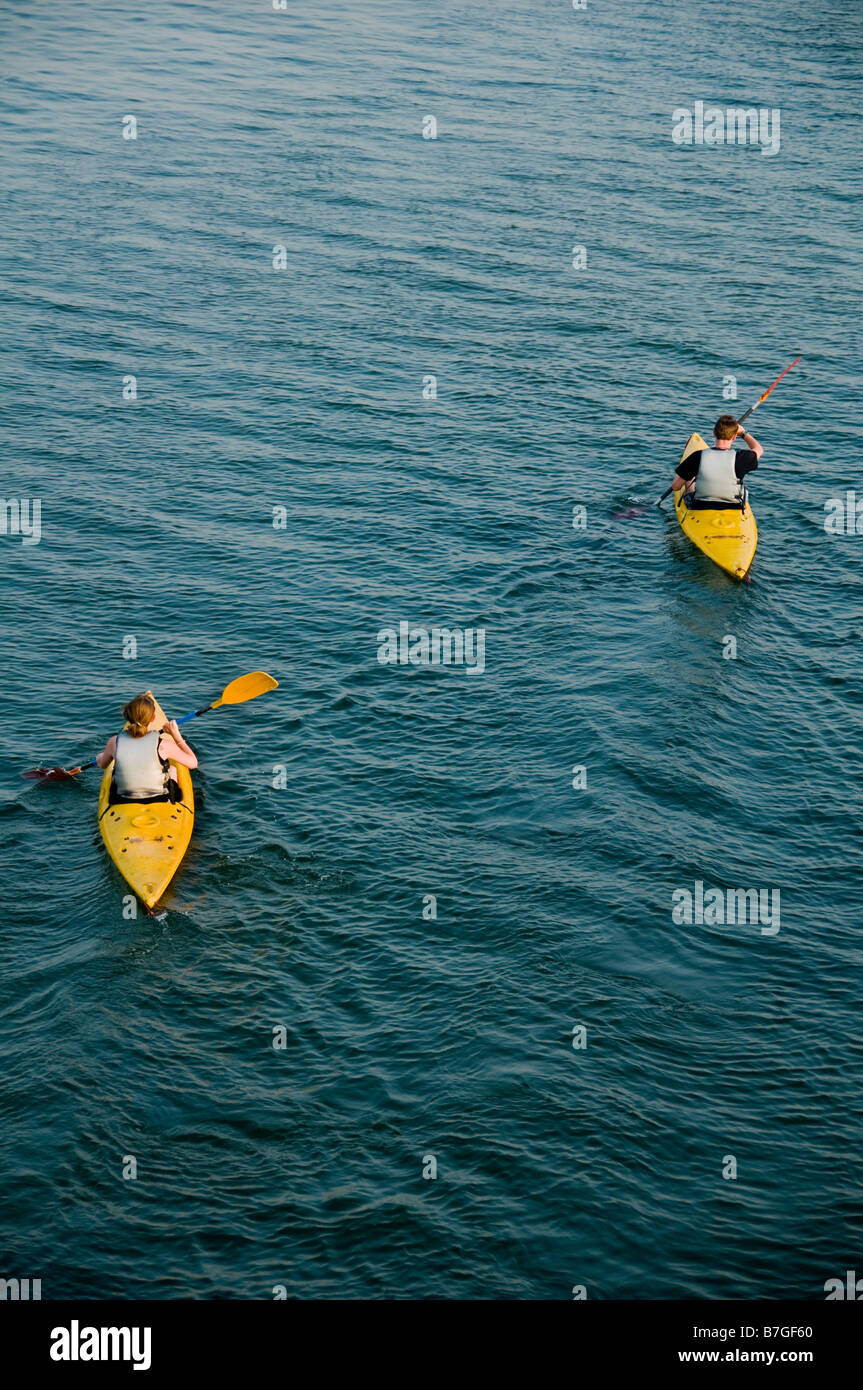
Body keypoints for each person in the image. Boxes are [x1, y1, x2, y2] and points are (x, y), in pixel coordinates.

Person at [96, 692, 197, 803]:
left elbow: (102, 764)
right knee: (172, 769)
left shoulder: (114, 742)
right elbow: (193, 763)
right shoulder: (163, 745)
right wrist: (176, 736)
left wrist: (100, 757)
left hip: (122, 799)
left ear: (127, 716)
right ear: (153, 718)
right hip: (160, 799)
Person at [671, 415, 763, 508]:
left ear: (714, 433)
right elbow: (759, 450)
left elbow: (675, 487)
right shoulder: (742, 458)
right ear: (734, 437)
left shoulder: (697, 456)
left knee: (689, 478)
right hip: (734, 505)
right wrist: (743, 433)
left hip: (700, 505)